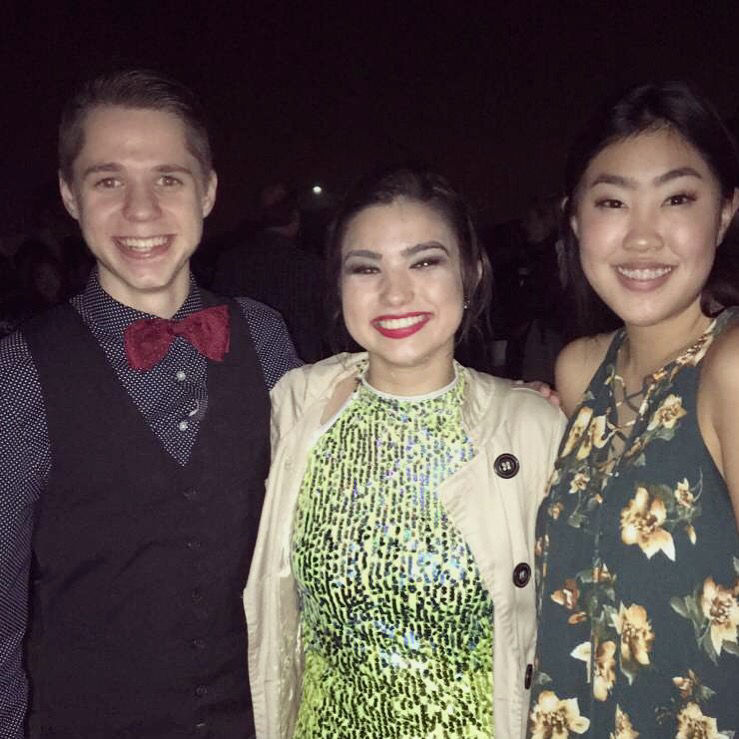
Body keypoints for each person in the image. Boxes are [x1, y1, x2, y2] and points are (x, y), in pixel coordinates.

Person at [0, 70, 299, 738]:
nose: (141, 211)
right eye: (108, 181)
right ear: (70, 195)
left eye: (168, 178)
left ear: (208, 191)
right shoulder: (18, 373)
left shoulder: (264, 333)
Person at [244, 167, 566, 738]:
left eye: (424, 262)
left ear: (471, 272)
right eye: (366, 268)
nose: (395, 293)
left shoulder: (532, 427)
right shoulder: (296, 407)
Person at [529, 82, 739, 738]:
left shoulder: (729, 368)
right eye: (612, 202)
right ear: (573, 219)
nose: (642, 238)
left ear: (725, 213)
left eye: (677, 199)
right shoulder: (580, 369)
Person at [212, 183, 327, 362]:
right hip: (299, 364)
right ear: (295, 218)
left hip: (247, 361)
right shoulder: (310, 265)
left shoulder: (232, 261)